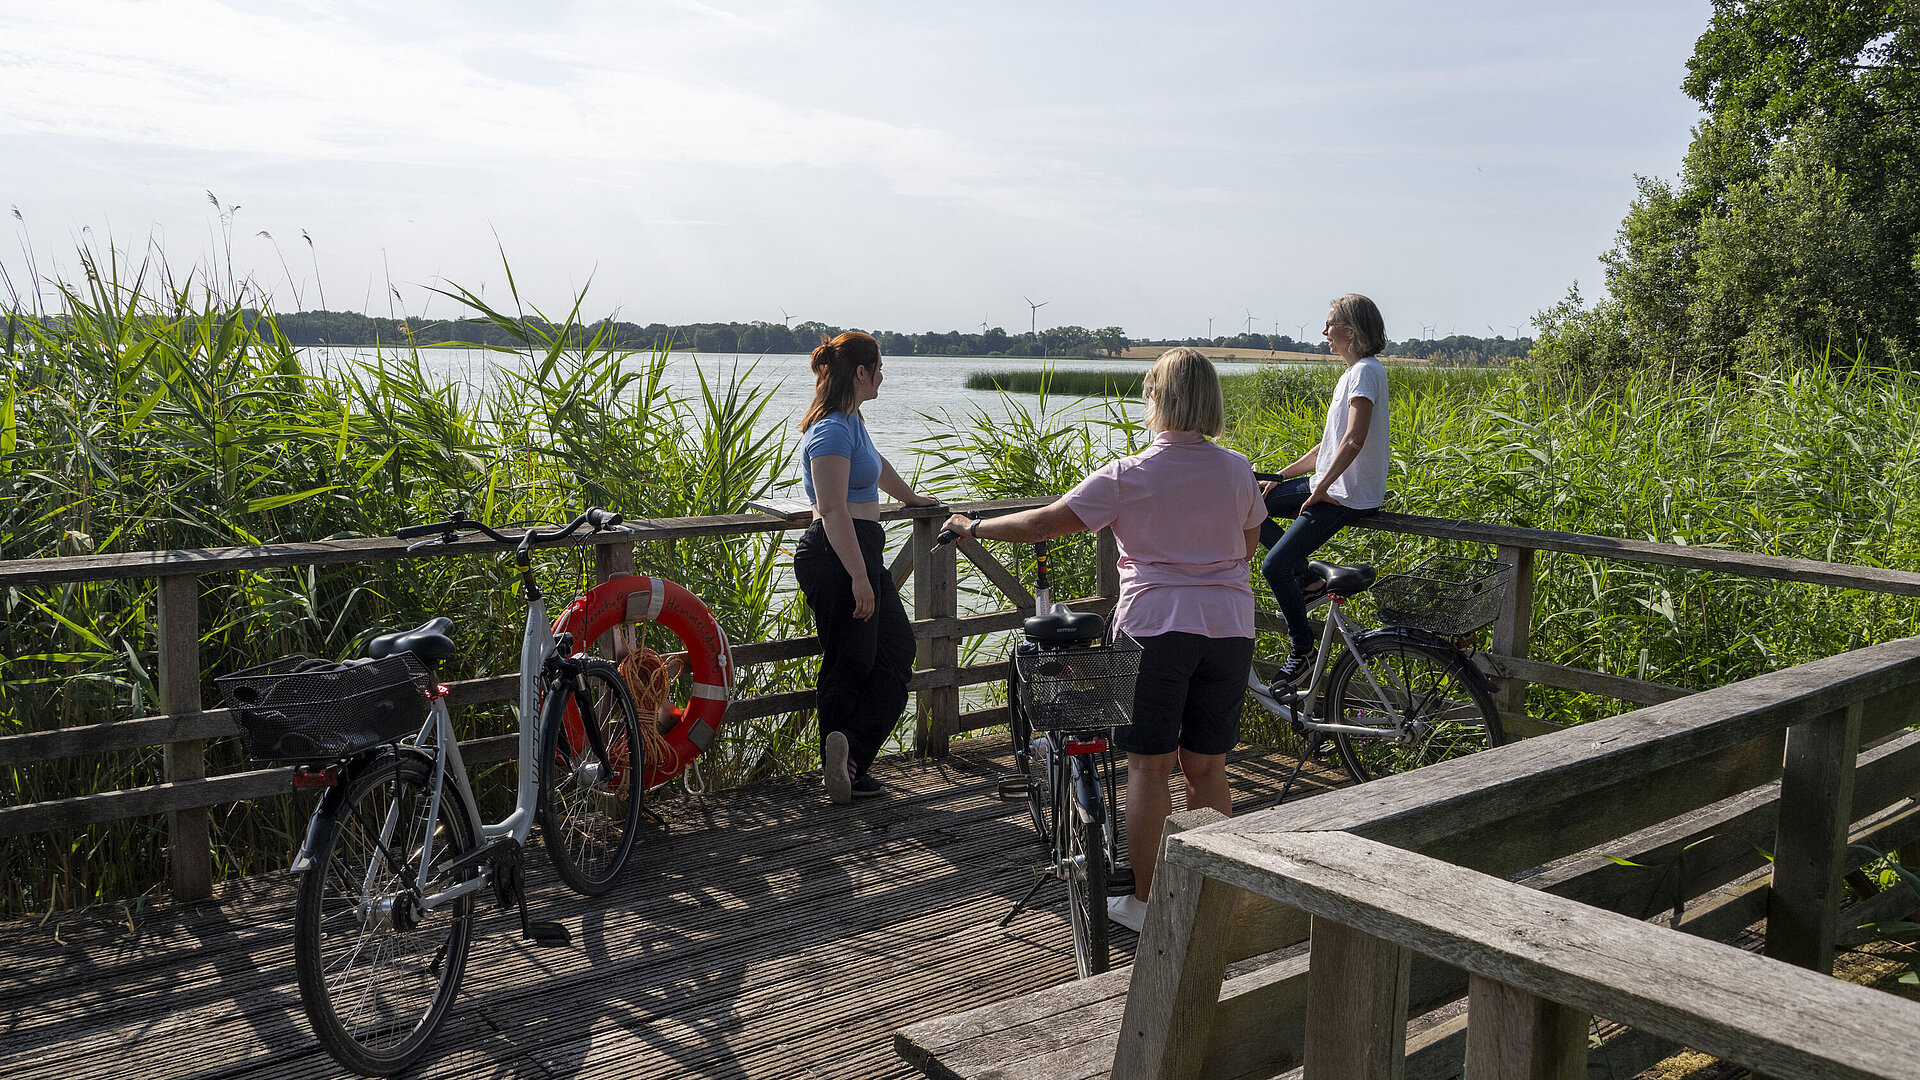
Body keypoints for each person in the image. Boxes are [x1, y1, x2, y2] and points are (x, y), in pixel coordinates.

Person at [941, 347, 1263, 933]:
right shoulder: (1237, 468)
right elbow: (1247, 544)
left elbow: (1042, 524)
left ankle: (1144, 903)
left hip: (1156, 627)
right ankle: (1209, 903)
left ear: (1156, 401)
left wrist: (972, 526)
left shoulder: (1129, 474)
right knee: (1208, 768)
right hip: (1230, 627)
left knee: (1148, 766)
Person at [793, 332, 941, 805]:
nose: (882, 375)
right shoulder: (831, 430)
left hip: (861, 551)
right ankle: (837, 763)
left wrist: (914, 500)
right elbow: (833, 510)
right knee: (851, 659)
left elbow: (876, 466)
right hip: (837, 554)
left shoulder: (853, 423)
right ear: (860, 373)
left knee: (896, 651)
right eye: (877, 367)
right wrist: (859, 577)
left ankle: (850, 756)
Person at [1259, 294, 1390, 692]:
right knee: (1249, 497)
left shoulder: (1366, 372)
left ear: (1351, 331)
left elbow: (1354, 439)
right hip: (1331, 485)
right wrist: (1279, 478)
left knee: (1273, 567)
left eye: (1330, 323)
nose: (1323, 331)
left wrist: (1324, 487)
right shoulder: (1351, 374)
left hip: (1345, 495)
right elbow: (1327, 447)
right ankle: (1307, 581)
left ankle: (1303, 649)